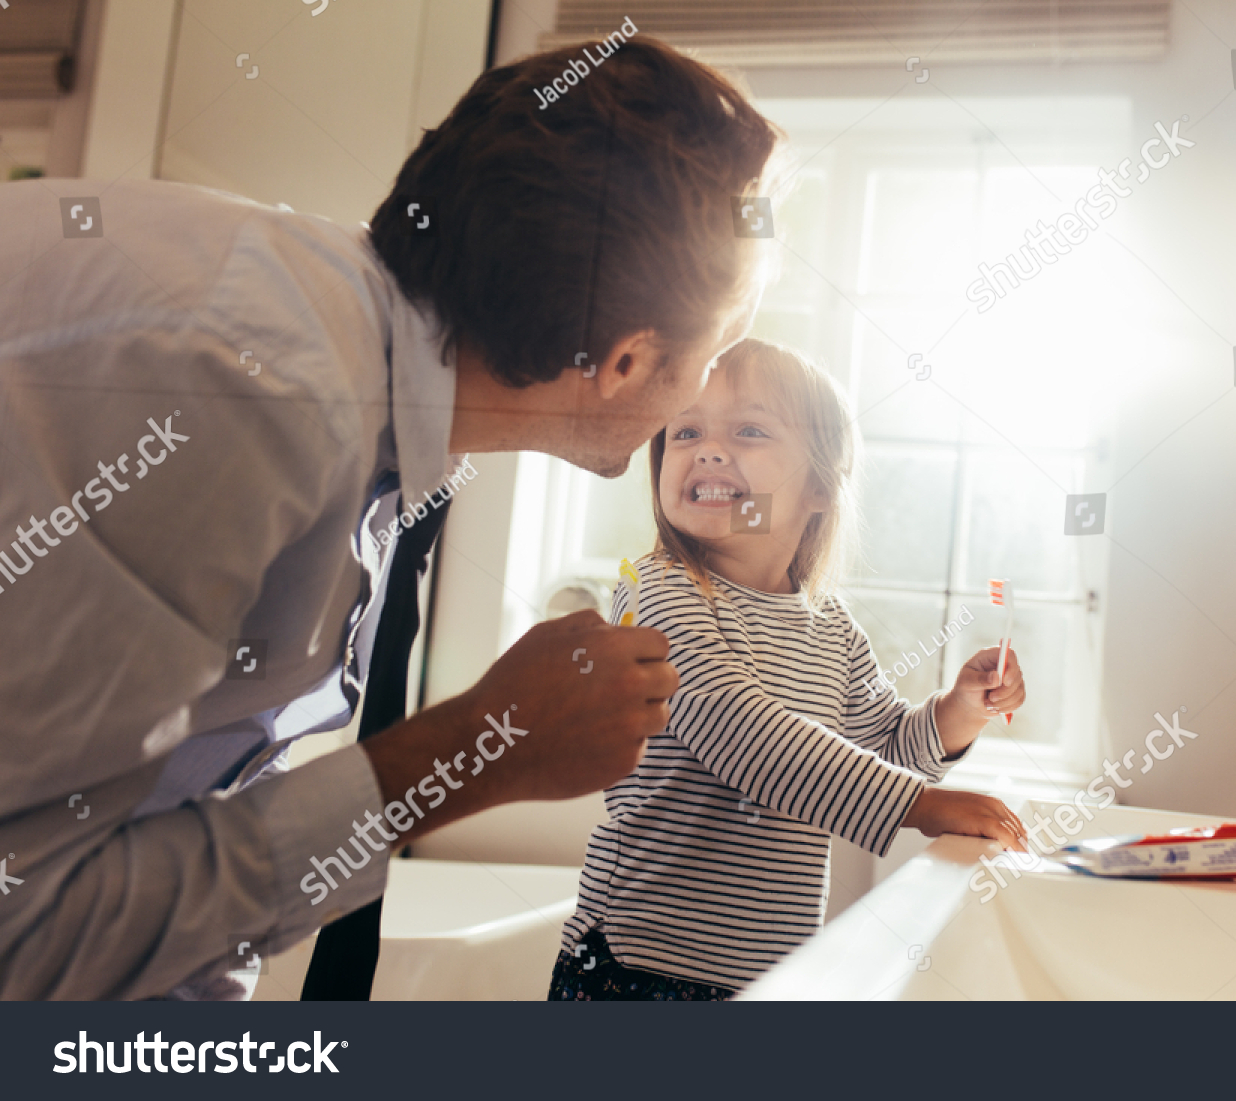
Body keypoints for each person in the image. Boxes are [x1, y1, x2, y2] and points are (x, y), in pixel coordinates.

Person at [0, 37, 779, 999]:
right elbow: (21, 925)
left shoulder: (343, 370)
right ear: (622, 361)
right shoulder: (251, 400)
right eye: (718, 348)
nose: (708, 395)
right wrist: (476, 748)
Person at [547, 339, 1028, 1001]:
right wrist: (921, 807)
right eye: (684, 430)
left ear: (822, 485)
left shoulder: (830, 629)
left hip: (766, 979)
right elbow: (742, 732)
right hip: (636, 969)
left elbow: (888, 749)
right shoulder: (656, 589)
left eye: (748, 430)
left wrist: (958, 712)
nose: (707, 448)